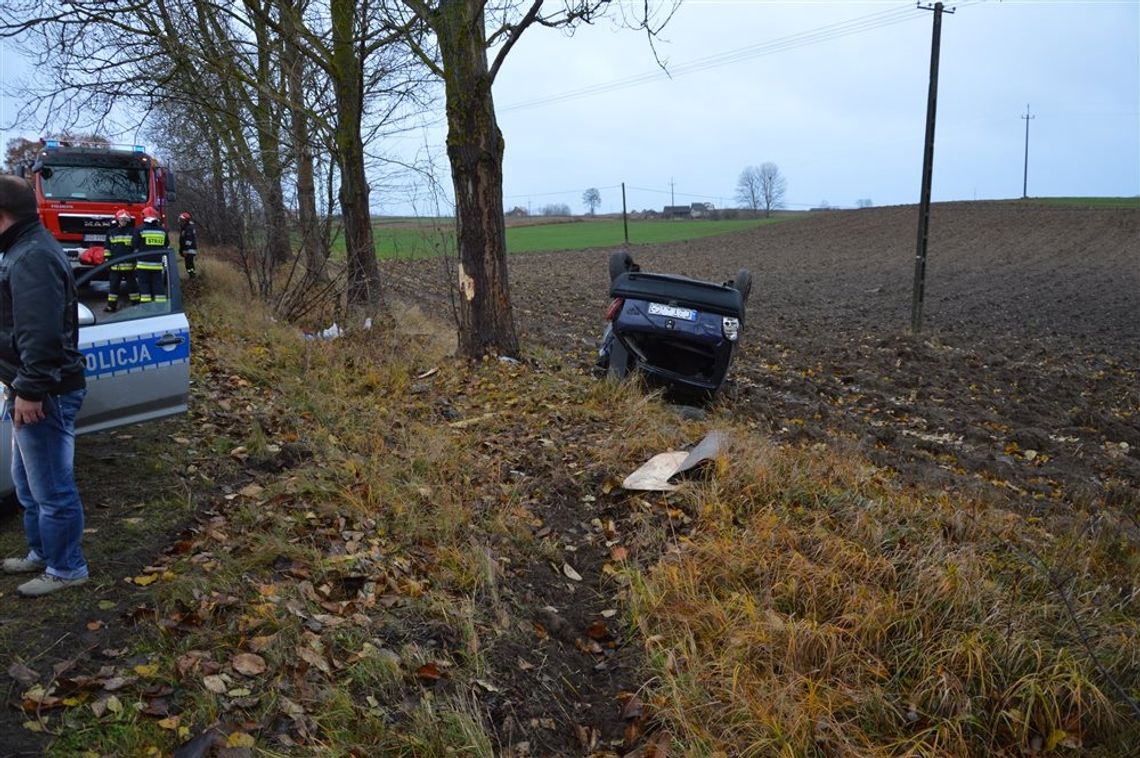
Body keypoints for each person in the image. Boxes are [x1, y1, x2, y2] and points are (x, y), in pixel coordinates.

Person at [0, 174, 90, 597]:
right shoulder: (24, 247)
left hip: (43, 391)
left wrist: (32, 390)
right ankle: (41, 553)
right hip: (26, 385)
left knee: (51, 487)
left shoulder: (31, 256)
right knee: (29, 484)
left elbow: (40, 334)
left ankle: (67, 567)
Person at [103, 208, 138, 312]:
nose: (123, 221)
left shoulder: (133, 232)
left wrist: (135, 261)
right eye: (121, 219)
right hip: (115, 265)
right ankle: (111, 306)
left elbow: (136, 248)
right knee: (113, 286)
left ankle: (136, 305)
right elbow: (107, 248)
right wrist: (107, 261)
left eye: (125, 219)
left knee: (132, 286)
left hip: (129, 265)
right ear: (117, 220)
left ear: (128, 220)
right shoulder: (111, 232)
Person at [132, 206, 168, 304]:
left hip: (143, 264)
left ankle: (146, 307)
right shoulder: (162, 231)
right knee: (158, 285)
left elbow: (134, 244)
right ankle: (160, 306)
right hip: (157, 264)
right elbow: (166, 244)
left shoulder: (139, 230)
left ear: (144, 217)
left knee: (144, 285)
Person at [177, 211, 198, 278]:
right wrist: (181, 249)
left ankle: (193, 276)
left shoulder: (189, 228)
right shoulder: (185, 228)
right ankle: (191, 275)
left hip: (190, 249)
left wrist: (185, 250)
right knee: (188, 264)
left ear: (185, 220)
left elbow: (188, 240)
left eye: (182, 220)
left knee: (189, 264)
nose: (180, 221)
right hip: (187, 249)